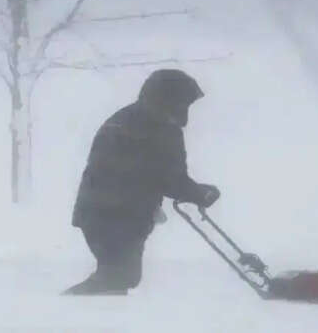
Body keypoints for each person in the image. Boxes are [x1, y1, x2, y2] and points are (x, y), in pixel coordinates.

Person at [63, 69, 220, 295]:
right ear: (172, 100)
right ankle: (66, 311)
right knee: (117, 277)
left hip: (97, 213)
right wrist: (201, 194)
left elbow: (150, 173)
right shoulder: (162, 129)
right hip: (120, 216)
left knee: (116, 277)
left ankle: (86, 315)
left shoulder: (125, 119)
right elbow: (169, 178)